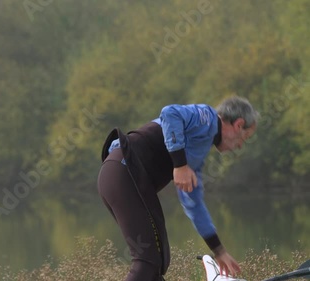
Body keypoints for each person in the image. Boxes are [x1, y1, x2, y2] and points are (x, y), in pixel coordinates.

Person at [97, 96, 259, 281]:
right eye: (244, 139)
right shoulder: (206, 117)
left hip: (117, 176)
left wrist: (219, 250)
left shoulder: (196, 152)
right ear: (238, 125)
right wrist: (179, 165)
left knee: (158, 262)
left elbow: (194, 205)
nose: (239, 146)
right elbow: (169, 113)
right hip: (123, 172)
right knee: (147, 261)